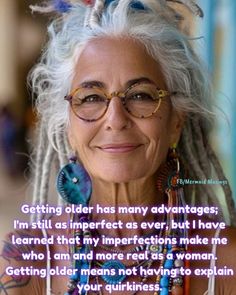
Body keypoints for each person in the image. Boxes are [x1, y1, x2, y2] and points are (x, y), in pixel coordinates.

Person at [0, 0, 236, 294]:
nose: (115, 119)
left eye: (140, 95)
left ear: (176, 120)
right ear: (68, 127)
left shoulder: (227, 262)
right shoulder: (27, 266)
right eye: (90, 98)